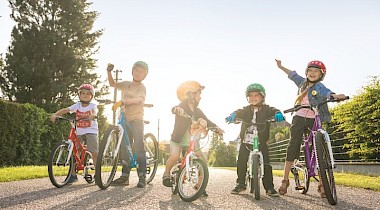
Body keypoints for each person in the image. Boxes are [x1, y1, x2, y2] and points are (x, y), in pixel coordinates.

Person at [275, 59, 347, 197]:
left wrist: (336, 96)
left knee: (318, 146)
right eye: (310, 71)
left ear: (321, 75)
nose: (312, 73)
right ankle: (285, 180)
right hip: (299, 116)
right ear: (306, 72)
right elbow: (292, 74)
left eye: (316, 71)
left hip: (314, 118)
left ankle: (322, 182)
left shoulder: (320, 87)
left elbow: (328, 93)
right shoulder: (302, 82)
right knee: (293, 145)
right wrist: (281, 66)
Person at [162, 80, 224, 196]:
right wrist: (177, 110)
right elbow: (174, 108)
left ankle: (200, 185)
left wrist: (216, 128)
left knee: (203, 162)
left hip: (192, 140)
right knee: (175, 155)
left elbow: (208, 120)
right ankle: (166, 174)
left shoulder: (197, 111)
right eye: (199, 94)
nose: (200, 97)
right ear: (190, 94)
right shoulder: (182, 106)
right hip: (178, 139)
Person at [225, 83, 284, 196]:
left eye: (256, 95)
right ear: (247, 97)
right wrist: (233, 115)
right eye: (250, 95)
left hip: (261, 141)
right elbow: (238, 112)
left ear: (262, 97)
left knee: (266, 163)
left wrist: (278, 114)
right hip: (246, 141)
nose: (253, 98)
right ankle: (240, 184)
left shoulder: (267, 109)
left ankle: (269, 188)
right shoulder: (246, 110)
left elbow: (274, 110)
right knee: (241, 161)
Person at [107, 61, 149, 188]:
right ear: (132, 71)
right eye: (136, 70)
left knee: (138, 146)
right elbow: (112, 84)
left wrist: (124, 101)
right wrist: (108, 71)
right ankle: (125, 177)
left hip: (136, 118)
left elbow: (140, 99)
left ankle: (142, 177)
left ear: (144, 75)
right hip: (124, 118)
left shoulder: (141, 87)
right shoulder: (125, 84)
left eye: (141, 72)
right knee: (125, 147)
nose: (138, 73)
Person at [50, 84, 99, 184]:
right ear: (79, 95)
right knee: (74, 152)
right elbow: (66, 109)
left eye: (88, 94)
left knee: (94, 152)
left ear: (92, 96)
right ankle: (72, 175)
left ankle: (98, 174)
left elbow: (95, 111)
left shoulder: (92, 106)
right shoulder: (77, 105)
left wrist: (93, 115)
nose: (85, 95)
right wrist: (56, 114)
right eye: (83, 93)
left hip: (91, 131)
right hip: (79, 131)